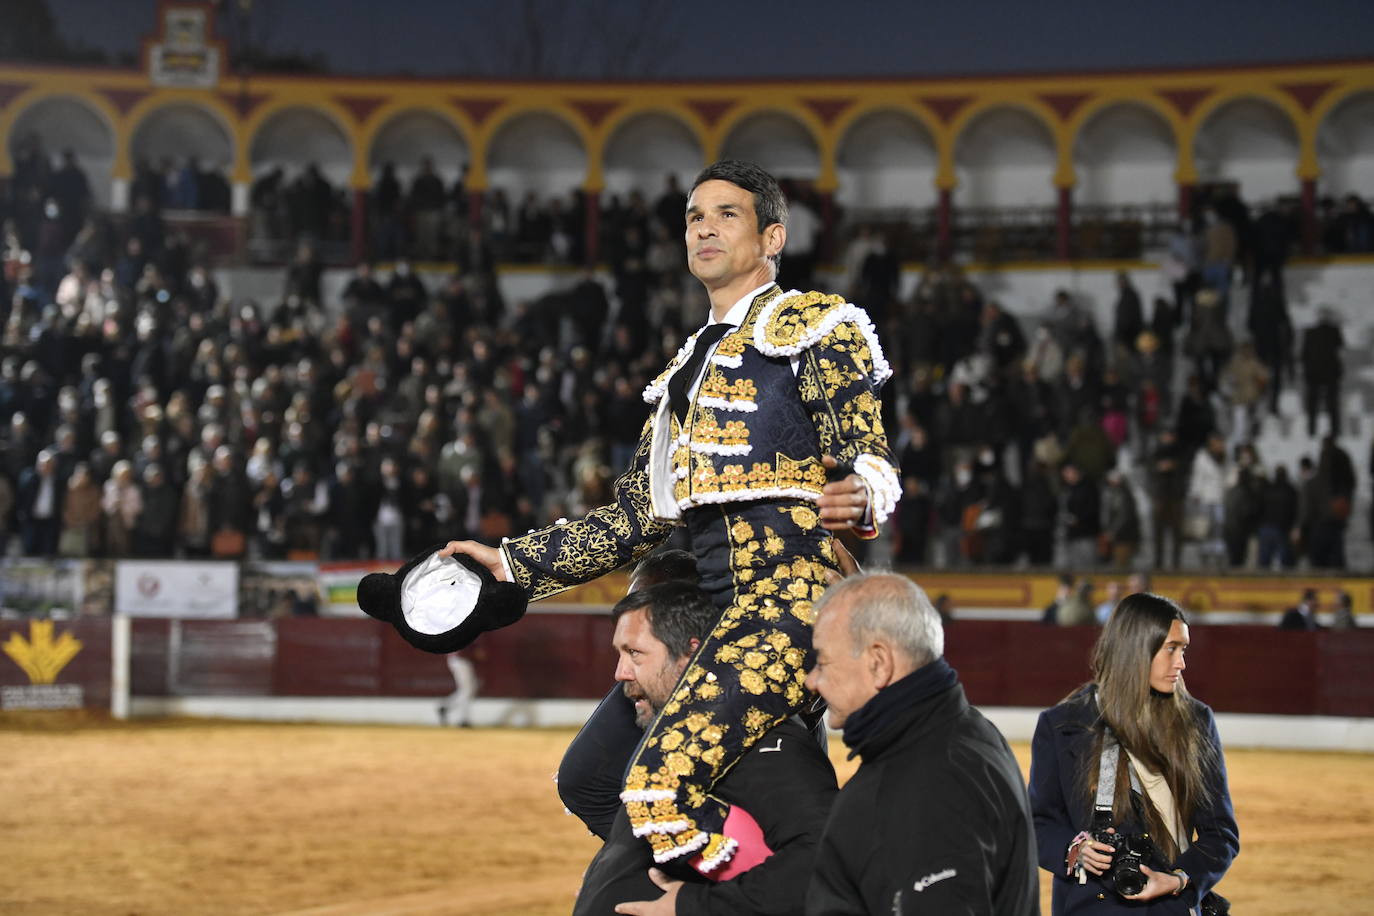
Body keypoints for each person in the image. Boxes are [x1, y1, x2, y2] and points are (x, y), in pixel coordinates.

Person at [442, 160, 897, 871]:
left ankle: (724, 897)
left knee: (662, 787)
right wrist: (511, 562)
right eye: (693, 217)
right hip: (704, 615)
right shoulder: (682, 372)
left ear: (773, 236)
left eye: (727, 214)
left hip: (786, 605)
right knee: (590, 778)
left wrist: (866, 491)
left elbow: (867, 454)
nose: (704, 228)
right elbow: (634, 519)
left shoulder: (816, 328)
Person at [575, 581, 837, 916]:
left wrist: (695, 905)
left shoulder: (766, 742)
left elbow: (824, 860)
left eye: (635, 653)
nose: (620, 673)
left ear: (691, 654)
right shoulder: (677, 738)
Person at [803, 573, 1038, 915]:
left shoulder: (928, 783)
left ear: (878, 663)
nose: (812, 680)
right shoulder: (961, 733)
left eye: (822, 661)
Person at [1029, 592, 1239, 914]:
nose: (1181, 663)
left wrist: (1180, 879)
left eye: (1183, 650)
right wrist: (1076, 850)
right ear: (1136, 650)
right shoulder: (1061, 726)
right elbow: (1038, 823)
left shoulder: (1195, 722)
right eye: (1171, 649)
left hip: (1168, 907)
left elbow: (1220, 834)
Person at [437, 650, 478, 727]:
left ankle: (445, 707)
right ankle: (463, 719)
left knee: (469, 689)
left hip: (459, 659)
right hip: (461, 659)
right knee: (467, 690)